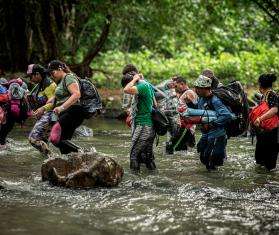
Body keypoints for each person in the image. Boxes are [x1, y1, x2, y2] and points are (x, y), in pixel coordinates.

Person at [121, 64, 156, 172]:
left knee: (134, 155)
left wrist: (135, 79)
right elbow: (155, 104)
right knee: (147, 156)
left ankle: (135, 182)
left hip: (143, 126)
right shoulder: (147, 85)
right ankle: (153, 176)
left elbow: (126, 89)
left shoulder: (142, 86)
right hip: (149, 126)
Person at [194, 75, 233, 170]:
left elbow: (227, 115)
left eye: (198, 88)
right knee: (203, 157)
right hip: (206, 134)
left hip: (217, 134)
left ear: (205, 88)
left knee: (211, 161)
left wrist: (212, 124)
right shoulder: (201, 99)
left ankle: (216, 182)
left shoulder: (215, 100)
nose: (196, 90)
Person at [47, 60, 85, 154]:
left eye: (53, 72)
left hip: (74, 111)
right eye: (50, 74)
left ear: (60, 69)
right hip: (66, 112)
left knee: (54, 138)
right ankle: (72, 162)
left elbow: (76, 94)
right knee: (63, 144)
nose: (52, 76)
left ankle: (83, 152)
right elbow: (63, 96)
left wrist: (61, 107)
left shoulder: (69, 77)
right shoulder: (61, 82)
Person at [27, 64, 57, 157]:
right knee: (43, 141)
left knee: (33, 139)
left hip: (51, 115)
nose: (29, 79)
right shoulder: (40, 84)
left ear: (37, 74)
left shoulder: (49, 85)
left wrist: (42, 108)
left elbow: (54, 103)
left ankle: (52, 157)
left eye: (30, 76)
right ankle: (49, 160)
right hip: (44, 115)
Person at [252, 73, 278, 171]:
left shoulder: (271, 94)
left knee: (269, 162)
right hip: (264, 131)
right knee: (260, 158)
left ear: (261, 84)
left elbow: (274, 110)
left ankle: (267, 180)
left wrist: (259, 119)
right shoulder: (265, 95)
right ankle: (262, 178)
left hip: (272, 131)